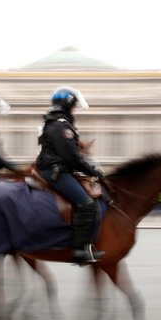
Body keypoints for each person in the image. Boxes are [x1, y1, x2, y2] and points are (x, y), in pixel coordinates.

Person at [35, 86, 105, 265]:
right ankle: (80, 249)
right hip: (56, 171)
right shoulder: (61, 125)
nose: (75, 109)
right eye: (74, 105)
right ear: (67, 105)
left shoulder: (56, 122)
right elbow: (72, 156)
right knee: (86, 203)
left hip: (57, 168)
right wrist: (93, 171)